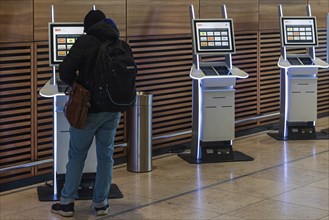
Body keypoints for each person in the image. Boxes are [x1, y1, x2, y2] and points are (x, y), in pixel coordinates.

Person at [51, 10, 122, 217]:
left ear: (87, 27)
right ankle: (101, 204)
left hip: (87, 109)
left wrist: (75, 84)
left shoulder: (85, 42)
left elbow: (64, 71)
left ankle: (66, 204)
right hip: (112, 109)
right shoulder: (117, 41)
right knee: (106, 155)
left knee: (77, 155)